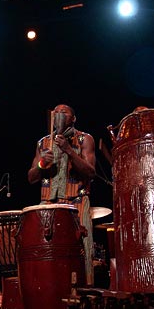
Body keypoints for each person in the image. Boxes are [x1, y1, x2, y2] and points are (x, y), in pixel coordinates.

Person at [27, 104, 97, 286]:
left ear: (73, 119)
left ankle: (84, 291)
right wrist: (42, 164)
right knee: (46, 250)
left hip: (77, 203)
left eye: (64, 112)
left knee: (82, 250)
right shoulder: (43, 143)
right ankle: (48, 288)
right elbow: (31, 178)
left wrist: (69, 150)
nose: (58, 114)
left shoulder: (84, 139)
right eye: (56, 112)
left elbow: (90, 173)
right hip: (49, 205)